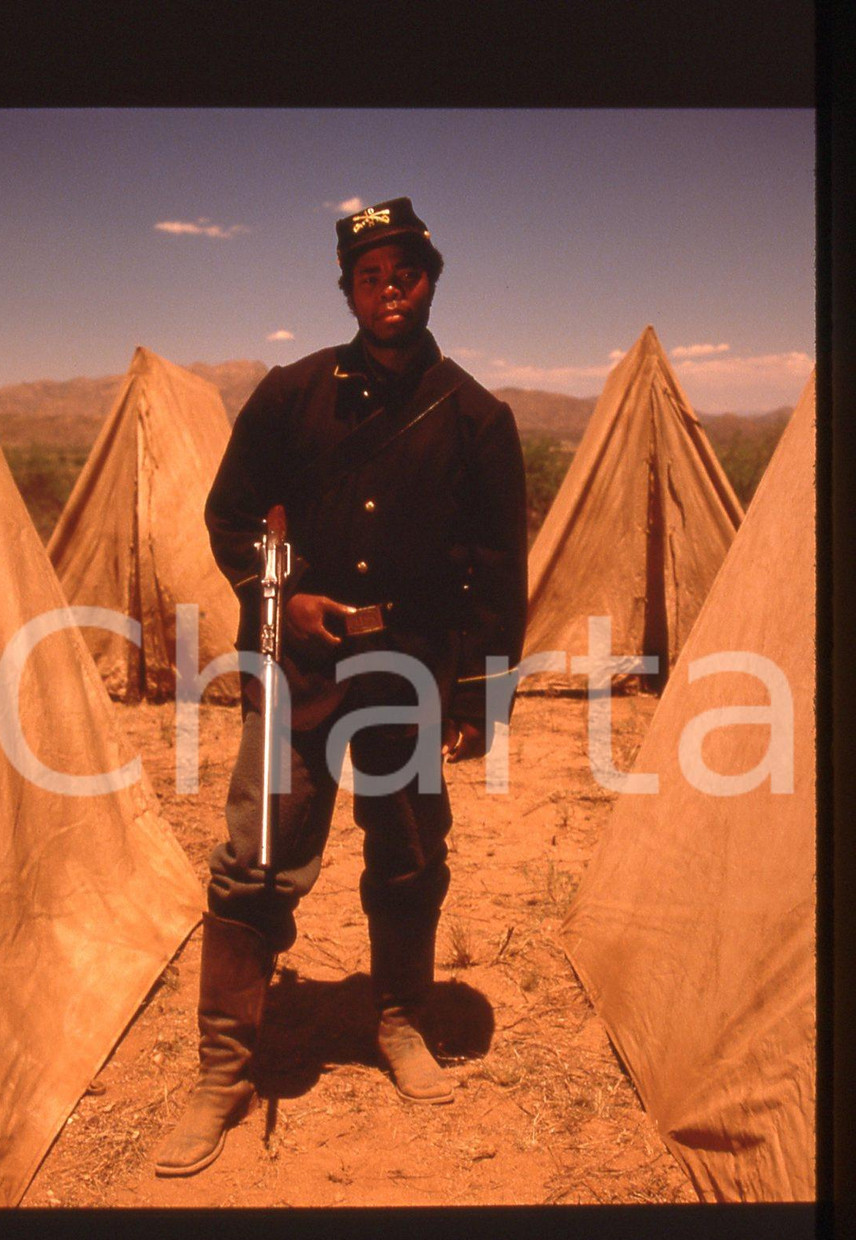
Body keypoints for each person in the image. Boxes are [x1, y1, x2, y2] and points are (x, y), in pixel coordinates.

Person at [154, 197, 527, 1177]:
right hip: (300, 671)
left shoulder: (478, 420)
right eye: (369, 273)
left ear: (428, 280)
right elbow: (232, 516)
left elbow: (496, 568)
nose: (388, 286)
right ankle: (224, 1068)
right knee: (257, 857)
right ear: (347, 288)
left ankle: (399, 1021)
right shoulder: (291, 393)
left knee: (407, 854)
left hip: (412, 670)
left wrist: (478, 701)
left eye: (404, 270)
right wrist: (287, 597)